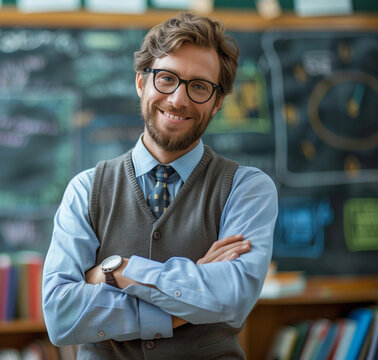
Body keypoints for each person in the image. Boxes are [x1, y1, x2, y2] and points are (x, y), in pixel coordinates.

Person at [42, 11, 278, 359]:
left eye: (199, 86)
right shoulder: (85, 190)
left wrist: (119, 271)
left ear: (217, 103)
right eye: (166, 78)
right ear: (141, 82)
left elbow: (232, 299)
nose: (178, 100)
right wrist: (188, 298)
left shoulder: (247, 189)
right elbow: (60, 317)